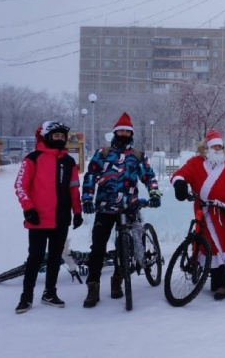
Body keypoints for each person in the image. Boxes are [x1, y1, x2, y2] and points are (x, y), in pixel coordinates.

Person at [81, 112, 160, 308]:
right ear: (115, 132)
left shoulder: (137, 155)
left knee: (125, 248)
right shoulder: (103, 153)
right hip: (105, 207)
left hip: (129, 206)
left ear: (131, 134)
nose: (124, 133)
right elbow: (90, 176)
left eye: (127, 131)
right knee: (97, 248)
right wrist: (87, 198)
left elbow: (148, 176)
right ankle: (93, 286)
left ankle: (118, 280)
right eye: (120, 131)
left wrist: (154, 193)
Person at [13, 121, 82, 313]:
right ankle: (26, 297)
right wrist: (28, 209)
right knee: (35, 258)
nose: (60, 139)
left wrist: (77, 211)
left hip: (61, 219)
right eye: (56, 136)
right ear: (46, 136)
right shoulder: (33, 158)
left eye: (62, 136)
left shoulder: (68, 161)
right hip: (38, 219)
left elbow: (74, 188)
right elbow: (20, 186)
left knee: (54, 258)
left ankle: (50, 293)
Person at [171, 130, 225, 300]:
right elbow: (179, 175)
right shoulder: (195, 163)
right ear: (207, 148)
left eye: (220, 146)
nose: (217, 148)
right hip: (204, 212)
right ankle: (210, 275)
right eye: (214, 146)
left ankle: (221, 283)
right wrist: (180, 184)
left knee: (223, 246)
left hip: (224, 214)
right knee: (208, 245)